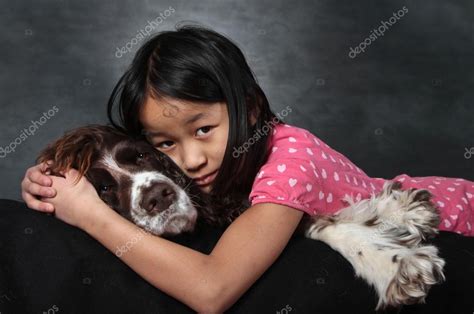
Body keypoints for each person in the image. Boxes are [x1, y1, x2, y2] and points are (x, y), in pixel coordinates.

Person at [20, 24, 473, 312]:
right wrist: (49, 187)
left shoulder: (289, 162)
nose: (191, 160)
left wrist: (90, 215)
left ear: (251, 109)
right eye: (165, 144)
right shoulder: (215, 170)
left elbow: (212, 290)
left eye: (203, 130)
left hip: (460, 213)